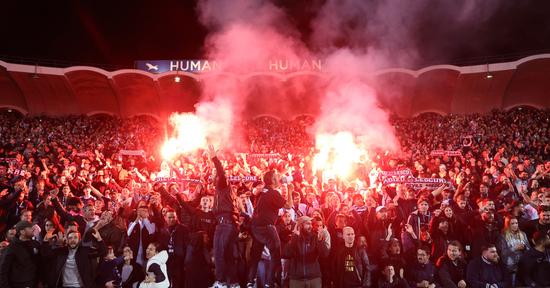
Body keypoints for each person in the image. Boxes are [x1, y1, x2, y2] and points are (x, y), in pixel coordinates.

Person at [247, 170, 292, 288]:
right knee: (276, 254)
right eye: (277, 176)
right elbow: (289, 206)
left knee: (255, 255)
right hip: (267, 227)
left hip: (256, 227)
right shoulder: (272, 192)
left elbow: (256, 192)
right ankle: (270, 283)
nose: (279, 177)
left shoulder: (263, 191)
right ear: (272, 180)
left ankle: (250, 282)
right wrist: (291, 190)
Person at [208, 144, 240, 288]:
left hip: (225, 224)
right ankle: (233, 283)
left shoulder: (222, 184)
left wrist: (214, 158)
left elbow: (221, 172)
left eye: (214, 173)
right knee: (227, 256)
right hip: (229, 224)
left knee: (219, 253)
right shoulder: (222, 190)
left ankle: (220, 282)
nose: (212, 175)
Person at [41, 229, 106, 288]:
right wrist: (45, 241)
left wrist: (99, 239)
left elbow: (102, 252)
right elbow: (46, 254)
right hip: (64, 286)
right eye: (70, 238)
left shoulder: (85, 251)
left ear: (79, 240)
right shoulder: (61, 252)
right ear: (67, 240)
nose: (73, 240)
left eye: (75, 237)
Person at [283, 216, 330, 288]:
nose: (310, 226)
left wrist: (320, 241)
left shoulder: (315, 238)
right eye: (308, 224)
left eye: (311, 224)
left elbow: (325, 254)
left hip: (314, 278)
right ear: (300, 226)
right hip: (297, 279)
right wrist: (295, 237)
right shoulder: (293, 238)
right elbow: (286, 254)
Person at [0, 220, 40, 288]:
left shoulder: (35, 244)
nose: (33, 229)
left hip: (33, 283)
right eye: (30, 227)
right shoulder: (12, 247)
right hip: (18, 284)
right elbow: (3, 271)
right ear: (22, 232)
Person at [158, 207, 189, 288]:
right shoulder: (163, 230)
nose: (172, 219)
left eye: (173, 217)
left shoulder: (183, 229)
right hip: (167, 260)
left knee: (179, 282)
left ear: (176, 217)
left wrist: (186, 260)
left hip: (179, 260)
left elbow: (187, 246)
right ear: (165, 218)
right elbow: (161, 245)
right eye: (169, 217)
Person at [497, 216, 529, 286]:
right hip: (509, 267)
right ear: (508, 224)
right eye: (512, 223)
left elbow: (528, 250)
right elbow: (503, 253)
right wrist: (515, 248)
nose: (515, 225)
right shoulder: (503, 236)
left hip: (522, 265)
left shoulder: (523, 234)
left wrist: (524, 248)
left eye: (516, 223)